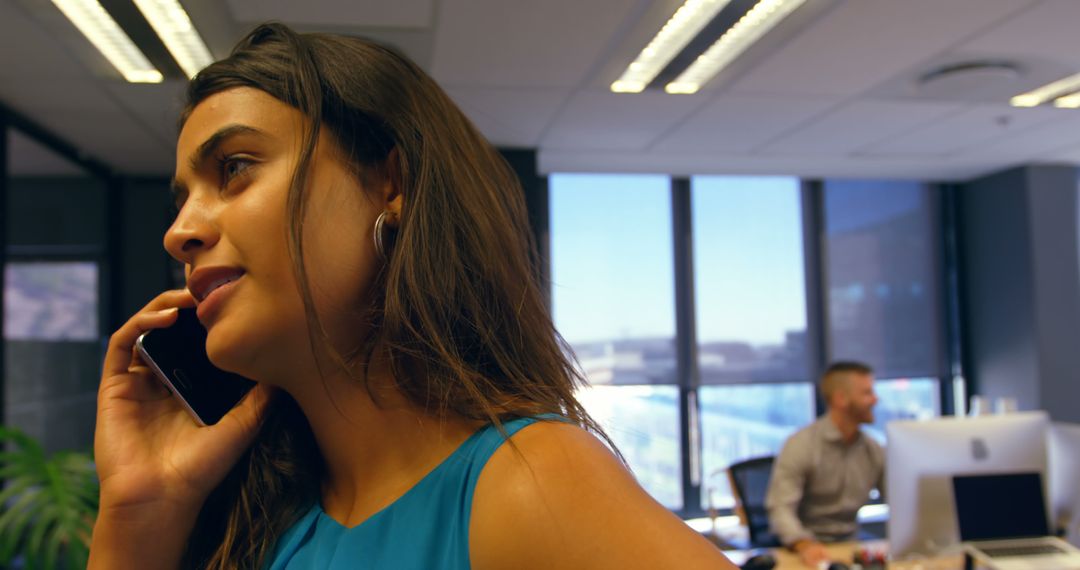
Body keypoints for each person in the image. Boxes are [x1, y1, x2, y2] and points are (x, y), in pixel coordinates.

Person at [87, 23, 735, 570]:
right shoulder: (265, 519)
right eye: (181, 199)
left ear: (389, 184)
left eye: (234, 169)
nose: (179, 233)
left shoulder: (528, 483)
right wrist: (140, 510)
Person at [765, 361, 884, 568]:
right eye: (867, 393)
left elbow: (900, 500)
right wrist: (804, 544)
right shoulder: (802, 444)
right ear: (841, 399)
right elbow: (780, 510)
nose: (875, 400)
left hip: (850, 548)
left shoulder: (872, 449)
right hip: (803, 550)